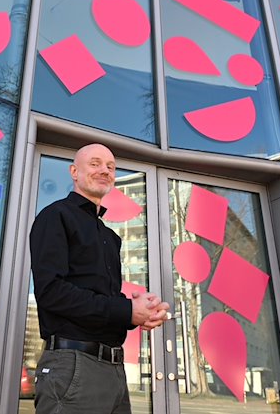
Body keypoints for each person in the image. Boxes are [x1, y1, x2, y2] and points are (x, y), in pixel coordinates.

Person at [30, 143, 169, 414]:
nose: (105, 170)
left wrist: (139, 311)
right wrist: (125, 309)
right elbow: (51, 291)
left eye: (111, 167)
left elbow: (102, 300)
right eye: (95, 164)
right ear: (74, 171)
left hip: (114, 370)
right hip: (73, 365)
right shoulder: (56, 215)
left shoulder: (110, 236)